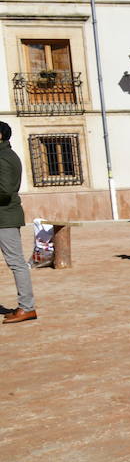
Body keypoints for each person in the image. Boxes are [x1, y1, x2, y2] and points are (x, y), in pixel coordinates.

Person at [0, 120, 36, 323]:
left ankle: (27, 307)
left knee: (16, 263)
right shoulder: (6, 154)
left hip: (5, 217)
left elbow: (5, 191)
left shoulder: (4, 157)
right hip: (4, 215)